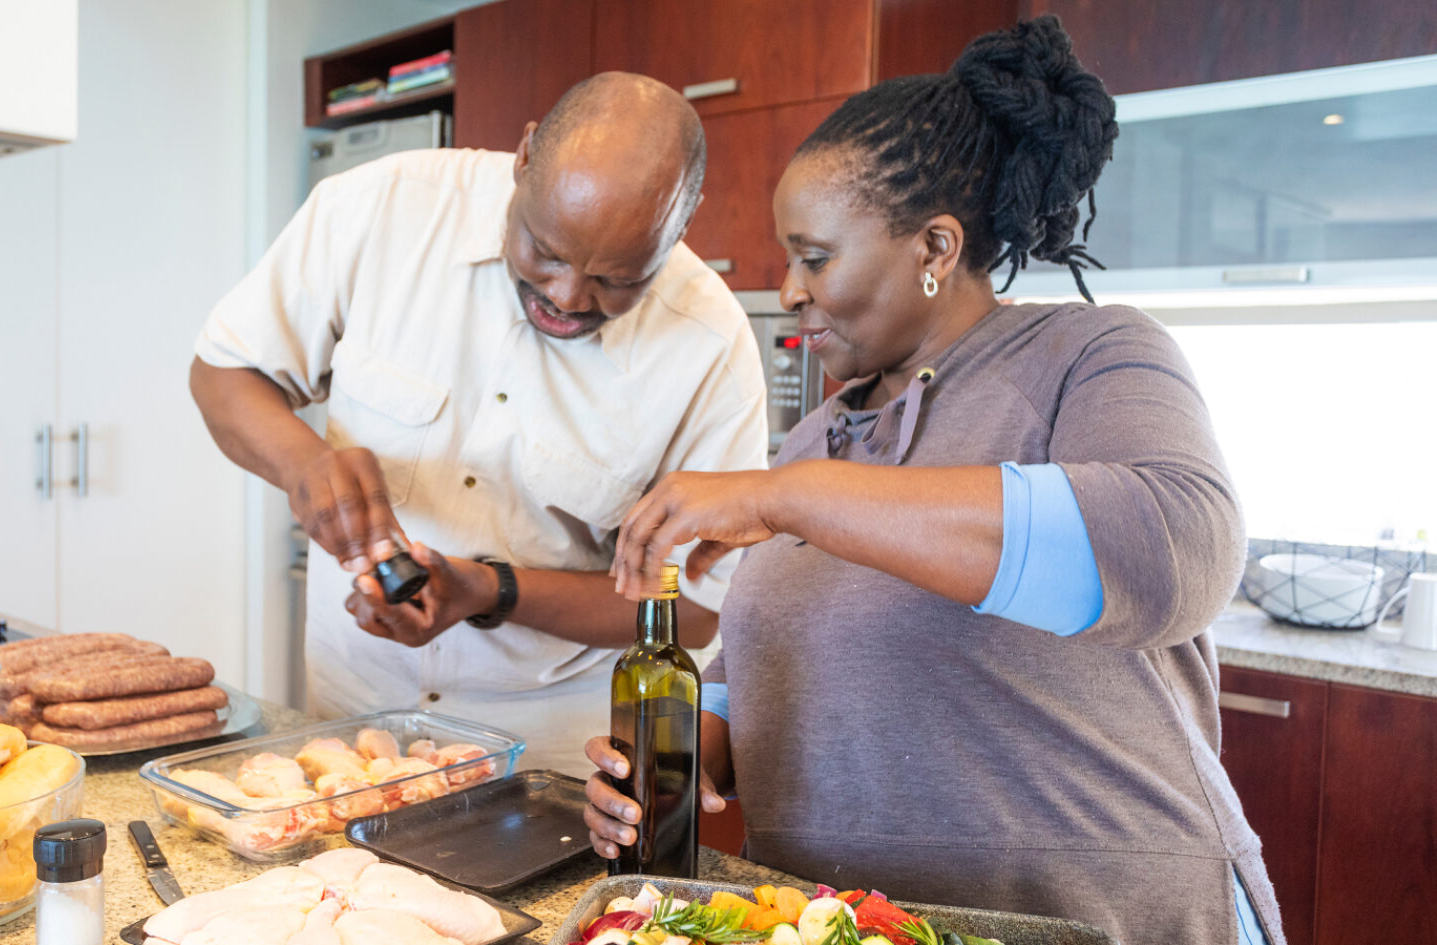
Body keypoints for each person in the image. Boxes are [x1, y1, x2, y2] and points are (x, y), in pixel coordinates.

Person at [583, 18, 1282, 945]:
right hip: (855, 924)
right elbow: (777, 656)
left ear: (936, 248)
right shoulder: (819, 440)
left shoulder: (1090, 353)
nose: (789, 288)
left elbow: (1173, 551)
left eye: (816, 256)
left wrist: (779, 496)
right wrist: (680, 750)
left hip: (1100, 921)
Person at [190, 73, 769, 775]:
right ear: (524, 157)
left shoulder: (710, 343)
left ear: (682, 222)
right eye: (545, 250)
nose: (565, 295)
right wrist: (301, 463)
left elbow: (697, 611)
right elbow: (223, 371)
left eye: (616, 281)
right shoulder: (382, 207)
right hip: (350, 728)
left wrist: (490, 591)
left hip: (549, 759)